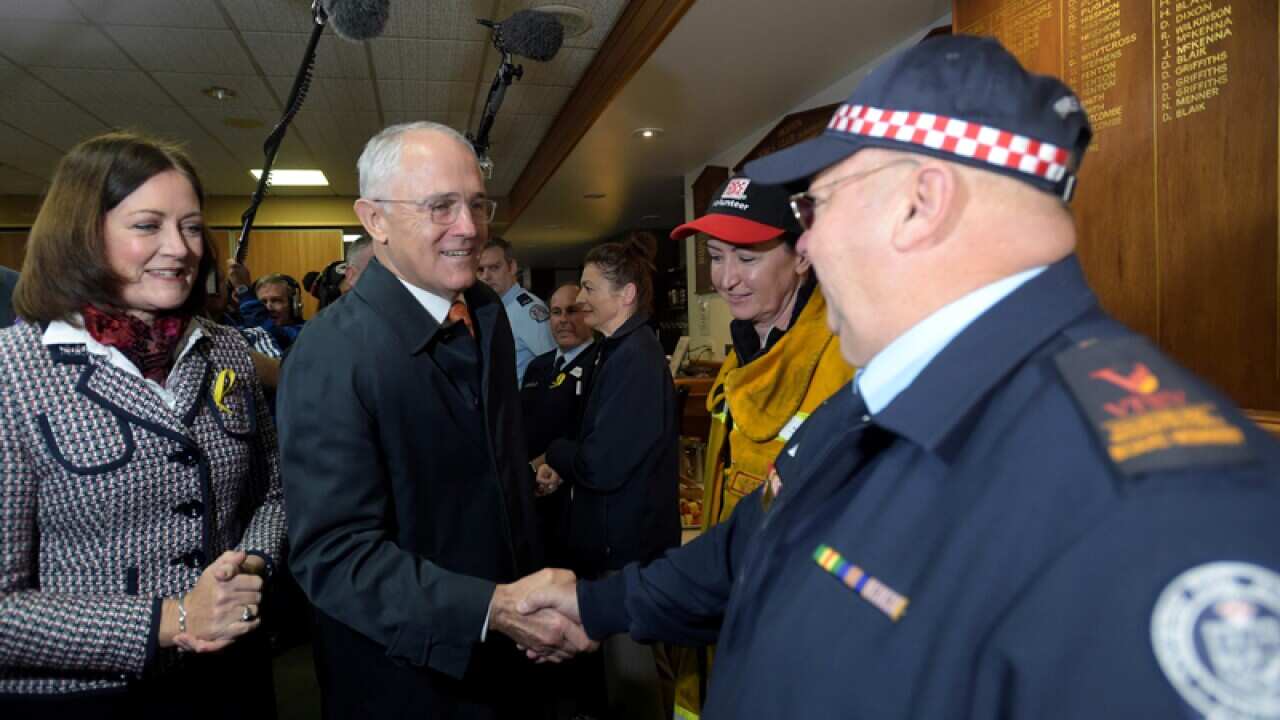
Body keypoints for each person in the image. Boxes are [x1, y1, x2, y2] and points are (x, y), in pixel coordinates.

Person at [514, 35, 1280, 719]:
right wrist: (595, 602)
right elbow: (751, 548)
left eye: (815, 206)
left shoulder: (1163, 509)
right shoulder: (873, 400)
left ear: (921, 206)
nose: (806, 248)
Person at [277, 121, 591, 718]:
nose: (468, 228)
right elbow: (333, 557)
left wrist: (529, 601)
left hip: (510, 659)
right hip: (407, 676)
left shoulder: (486, 315)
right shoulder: (328, 355)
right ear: (374, 220)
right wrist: (488, 607)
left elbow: (502, 474)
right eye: (439, 207)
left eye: (476, 204)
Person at [0, 131, 284, 716]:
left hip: (230, 679)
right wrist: (171, 620)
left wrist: (248, 566)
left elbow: (274, 493)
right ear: (83, 233)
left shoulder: (226, 350)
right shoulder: (14, 370)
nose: (179, 249)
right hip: (84, 697)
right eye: (147, 225)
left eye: (191, 226)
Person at [665, 174, 854, 717]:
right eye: (717, 257)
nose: (726, 279)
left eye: (746, 258)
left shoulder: (846, 358)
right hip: (727, 616)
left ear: (801, 256)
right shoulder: (741, 356)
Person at [534, 239, 680, 720]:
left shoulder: (634, 358)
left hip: (628, 552)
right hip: (618, 547)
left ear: (627, 294)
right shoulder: (616, 352)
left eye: (592, 288)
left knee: (634, 679)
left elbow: (602, 463)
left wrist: (556, 451)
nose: (581, 300)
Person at [477, 236, 556, 385]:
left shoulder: (528, 310)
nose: (486, 276)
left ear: (512, 267)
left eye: (494, 267)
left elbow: (551, 364)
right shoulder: (492, 309)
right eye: (480, 270)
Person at [226, 263, 305, 351]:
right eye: (262, 302)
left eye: (276, 300)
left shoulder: (304, 332)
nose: (268, 308)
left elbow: (271, 333)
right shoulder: (248, 329)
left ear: (294, 305)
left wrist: (243, 290)